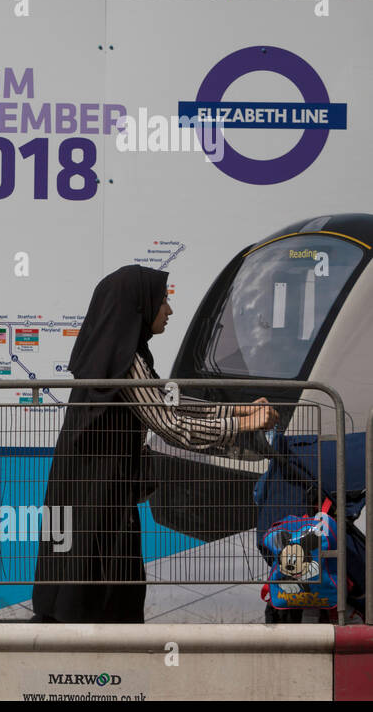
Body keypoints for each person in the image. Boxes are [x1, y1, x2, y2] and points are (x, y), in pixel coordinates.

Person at [31, 264, 278, 623]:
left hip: (81, 485)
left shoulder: (112, 354)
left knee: (76, 565)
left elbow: (167, 404)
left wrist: (237, 409)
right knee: (106, 573)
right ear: (140, 306)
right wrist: (242, 424)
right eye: (163, 301)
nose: (169, 310)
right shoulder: (128, 361)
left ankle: (72, 637)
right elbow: (172, 425)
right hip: (100, 491)